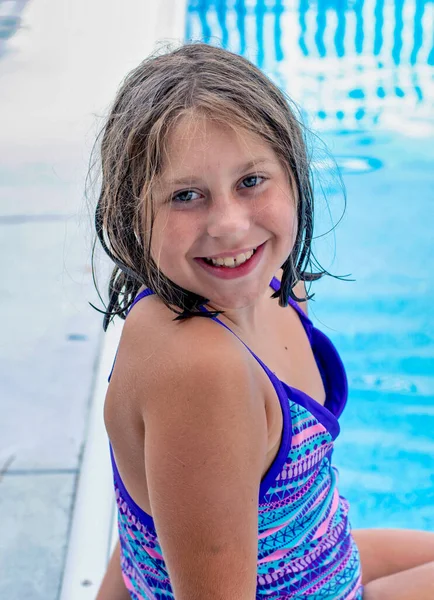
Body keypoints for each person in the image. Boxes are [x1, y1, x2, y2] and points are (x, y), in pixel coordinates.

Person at [92, 43, 434, 600]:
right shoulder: (202, 371)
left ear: (294, 175)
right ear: (133, 213)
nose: (229, 225)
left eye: (251, 181)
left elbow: (152, 530)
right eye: (185, 195)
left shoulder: (276, 285)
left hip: (320, 559)